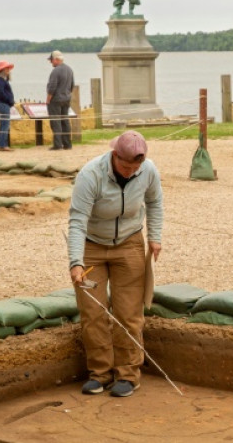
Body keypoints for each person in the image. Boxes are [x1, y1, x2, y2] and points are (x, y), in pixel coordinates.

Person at [68, 130, 163, 397]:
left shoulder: (148, 170)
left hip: (130, 243)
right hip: (91, 247)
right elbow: (77, 220)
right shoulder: (90, 175)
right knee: (92, 311)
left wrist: (154, 237)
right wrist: (75, 262)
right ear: (114, 155)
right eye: (125, 166)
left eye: (136, 167)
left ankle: (128, 375)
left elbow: (154, 202)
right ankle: (99, 374)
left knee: (129, 313)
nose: (130, 172)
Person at [46, 50, 73, 151]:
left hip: (56, 100)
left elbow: (52, 86)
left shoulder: (56, 71)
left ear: (56, 59)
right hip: (66, 99)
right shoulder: (69, 69)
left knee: (55, 122)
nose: (51, 62)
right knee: (65, 121)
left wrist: (48, 99)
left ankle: (57, 145)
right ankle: (67, 144)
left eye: (52, 60)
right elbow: (71, 85)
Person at [0, 60, 15, 152]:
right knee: (5, 125)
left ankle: (1, 144)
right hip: (4, 104)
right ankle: (3, 145)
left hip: (5, 104)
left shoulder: (2, 80)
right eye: (7, 69)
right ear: (2, 70)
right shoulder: (0, 80)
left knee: (3, 125)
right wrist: (10, 100)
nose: (8, 71)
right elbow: (1, 93)